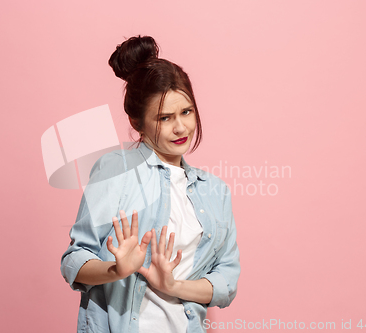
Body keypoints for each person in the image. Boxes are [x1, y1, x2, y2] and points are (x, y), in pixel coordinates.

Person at [60, 35, 240, 333]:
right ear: (136, 123)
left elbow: (226, 283)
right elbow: (75, 260)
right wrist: (117, 270)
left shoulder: (215, 191)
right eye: (164, 118)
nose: (180, 127)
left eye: (187, 111)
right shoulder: (116, 171)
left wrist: (173, 285)